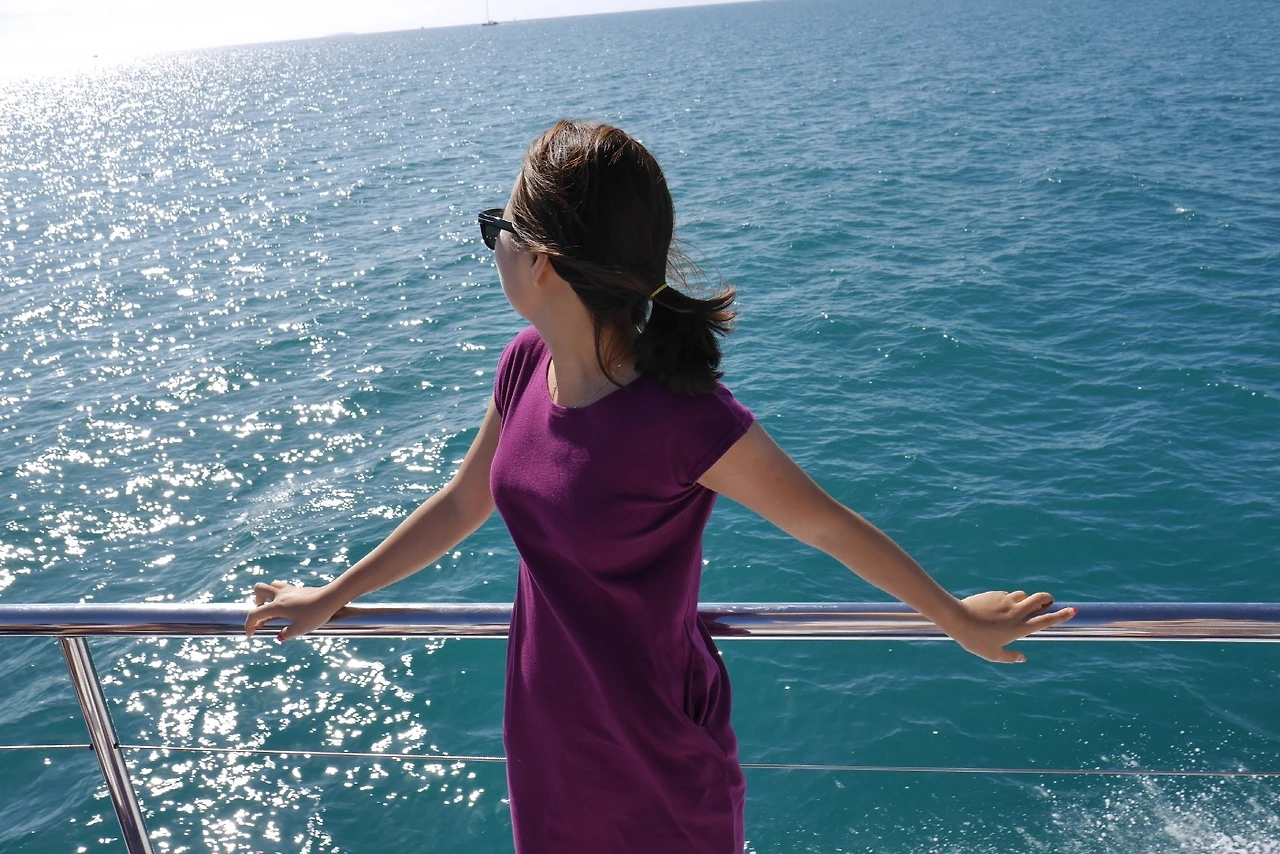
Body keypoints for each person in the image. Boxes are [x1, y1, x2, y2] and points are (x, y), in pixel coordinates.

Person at [245, 119, 1075, 854]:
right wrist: (334, 595)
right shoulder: (525, 365)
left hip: (653, 758)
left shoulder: (682, 416)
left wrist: (955, 618)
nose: (491, 244)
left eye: (497, 227)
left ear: (542, 263)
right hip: (548, 743)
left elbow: (823, 523)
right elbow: (465, 502)